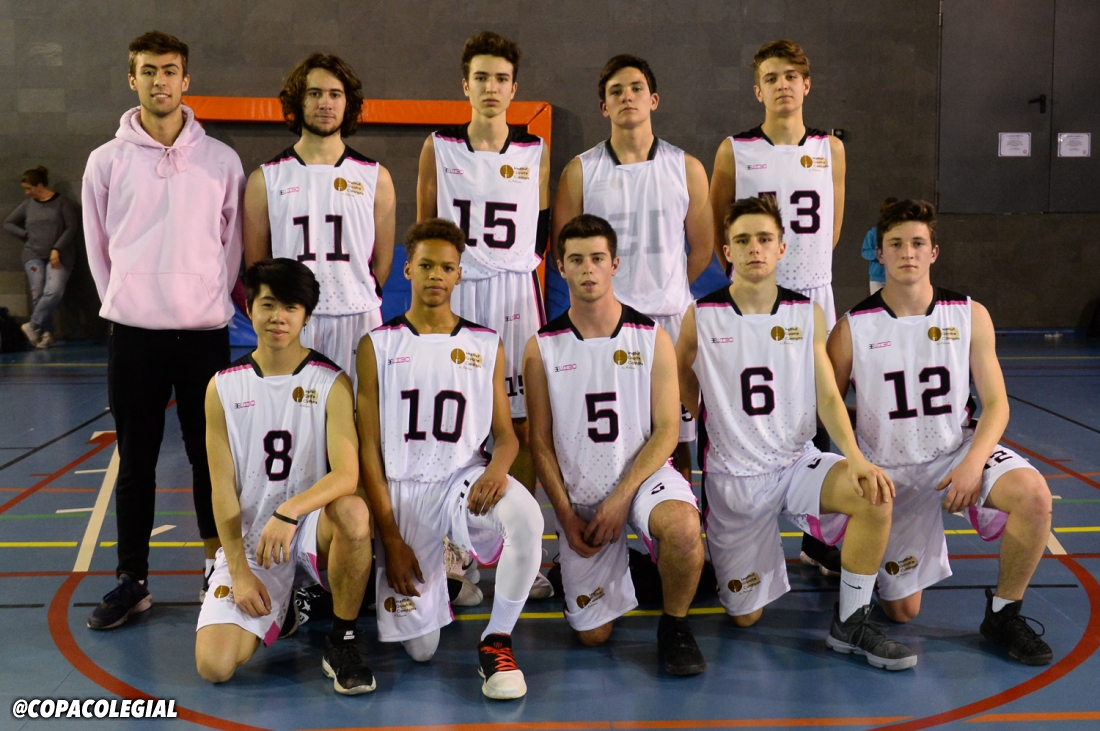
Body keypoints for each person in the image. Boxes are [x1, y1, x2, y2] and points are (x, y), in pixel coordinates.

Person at [676, 196, 915, 670]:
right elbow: (680, 378)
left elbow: (827, 395)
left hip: (796, 462)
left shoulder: (806, 313)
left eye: (765, 239)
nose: (755, 249)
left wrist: (856, 459)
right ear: (727, 250)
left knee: (874, 494)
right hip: (735, 478)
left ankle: (851, 622)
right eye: (743, 240)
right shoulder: (700, 316)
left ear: (782, 248)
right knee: (745, 617)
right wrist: (707, 412)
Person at [827, 200, 1054, 666]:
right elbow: (827, 407)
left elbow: (997, 404)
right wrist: (857, 454)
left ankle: (1004, 614)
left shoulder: (969, 314)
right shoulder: (851, 328)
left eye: (917, 243)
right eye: (896, 244)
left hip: (954, 452)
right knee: (902, 612)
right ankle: (860, 555)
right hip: (891, 472)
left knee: (1034, 495)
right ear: (880, 254)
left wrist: (973, 463)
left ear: (933, 252)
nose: (907, 253)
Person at [82, 31, 244, 627]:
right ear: (133, 79)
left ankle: (216, 569)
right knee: (136, 461)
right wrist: (129, 301)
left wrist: (206, 299)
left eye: (170, 70)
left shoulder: (222, 160)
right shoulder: (105, 161)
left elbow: (232, 245)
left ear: (185, 79)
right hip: (135, 335)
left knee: (209, 458)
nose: (159, 81)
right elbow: (98, 247)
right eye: (148, 71)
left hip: (203, 335)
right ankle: (133, 579)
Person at [357, 219, 543, 699]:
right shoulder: (377, 345)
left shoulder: (485, 342)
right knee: (422, 650)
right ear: (407, 270)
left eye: (446, 267)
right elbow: (368, 450)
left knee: (526, 519)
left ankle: (496, 640)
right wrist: (390, 538)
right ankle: (443, 582)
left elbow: (506, 436)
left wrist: (496, 470)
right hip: (404, 491)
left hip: (463, 480)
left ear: (460, 274)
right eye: (425, 266)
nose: (435, 276)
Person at [523, 214, 706, 675]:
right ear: (560, 267)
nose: (588, 269)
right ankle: (634, 568)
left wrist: (622, 498)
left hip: (642, 480)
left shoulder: (652, 337)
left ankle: (675, 626)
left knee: (683, 527)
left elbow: (667, 430)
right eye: (576, 260)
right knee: (593, 636)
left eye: (597, 258)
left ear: (615, 264)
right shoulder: (541, 347)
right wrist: (564, 516)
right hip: (582, 496)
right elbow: (539, 442)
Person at [416, 31, 553, 600]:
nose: (491, 88)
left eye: (501, 79)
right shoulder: (439, 147)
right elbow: (426, 230)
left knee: (519, 426)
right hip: (460, 292)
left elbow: (541, 233)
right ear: (464, 85)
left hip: (515, 296)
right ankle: (455, 549)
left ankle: (520, 550)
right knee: (453, 425)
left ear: (514, 88)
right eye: (481, 78)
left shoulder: (534, 151)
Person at [196, 258, 374, 694]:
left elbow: (347, 474)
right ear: (249, 308)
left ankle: (342, 640)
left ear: (306, 316)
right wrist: (239, 572)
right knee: (215, 666)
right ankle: (295, 602)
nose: (279, 317)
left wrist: (290, 511)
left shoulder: (331, 382)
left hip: (308, 527)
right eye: (269, 304)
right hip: (256, 542)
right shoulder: (222, 387)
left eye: (291, 307)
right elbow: (221, 490)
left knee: (353, 512)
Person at [708, 40, 848, 575]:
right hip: (753, 302)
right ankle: (740, 524)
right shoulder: (734, 150)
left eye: (791, 76)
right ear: (757, 90)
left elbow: (831, 231)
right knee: (748, 409)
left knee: (819, 411)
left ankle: (818, 537)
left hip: (812, 295)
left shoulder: (831, 149)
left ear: (806, 85)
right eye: (772, 77)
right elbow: (721, 230)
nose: (783, 85)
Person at [551, 55, 712, 482]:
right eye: (616, 91)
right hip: (605, 326)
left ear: (653, 99)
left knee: (676, 439)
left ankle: (675, 521)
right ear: (603, 106)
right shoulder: (580, 171)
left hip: (669, 323)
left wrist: (663, 287)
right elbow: (564, 253)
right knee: (607, 435)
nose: (627, 97)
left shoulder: (686, 168)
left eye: (636, 88)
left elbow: (702, 249)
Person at [244, 53, 396, 384]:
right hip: (293, 318)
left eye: (334, 94)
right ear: (298, 101)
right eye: (314, 93)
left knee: (359, 412)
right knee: (293, 413)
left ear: (347, 103)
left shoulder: (375, 177)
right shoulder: (265, 179)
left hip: (358, 317)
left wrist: (353, 291)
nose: (325, 103)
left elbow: (383, 262)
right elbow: (257, 265)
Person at [5, 166, 78, 349]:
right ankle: (47, 335)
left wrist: (56, 248)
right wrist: (26, 234)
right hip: (33, 254)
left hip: (60, 256)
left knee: (53, 291)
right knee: (38, 293)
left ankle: (33, 324)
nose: (27, 192)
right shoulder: (28, 204)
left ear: (39, 185)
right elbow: (9, 223)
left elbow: (71, 227)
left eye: (29, 188)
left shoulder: (61, 202)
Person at [862, 197, 897, 294]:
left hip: (896, 276)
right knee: (877, 303)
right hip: (877, 278)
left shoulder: (902, 234)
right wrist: (880, 254)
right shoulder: (873, 233)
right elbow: (865, 252)